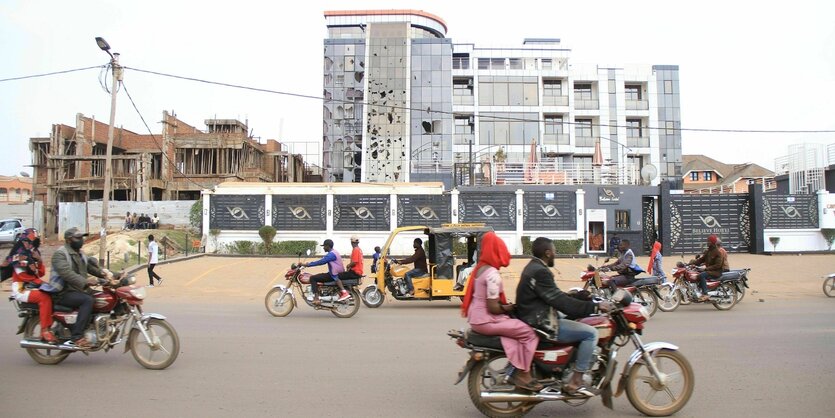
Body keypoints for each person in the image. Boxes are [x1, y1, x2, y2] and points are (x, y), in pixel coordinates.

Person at [515, 237, 614, 396]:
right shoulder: (541, 271)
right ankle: (577, 379)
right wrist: (594, 306)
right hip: (541, 321)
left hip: (535, 314)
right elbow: (560, 302)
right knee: (591, 333)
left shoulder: (533, 266)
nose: (555, 254)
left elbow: (553, 295)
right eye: (554, 251)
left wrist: (578, 296)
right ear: (548, 253)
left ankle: (569, 364)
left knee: (574, 318)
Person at [461, 232, 542, 392]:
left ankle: (516, 365)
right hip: (486, 319)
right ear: (496, 251)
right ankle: (523, 374)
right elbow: (493, 307)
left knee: (515, 329)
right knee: (529, 333)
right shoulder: (492, 274)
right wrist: (509, 307)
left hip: (477, 317)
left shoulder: (481, 268)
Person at [50, 227, 111, 348]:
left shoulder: (80, 254)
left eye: (82, 237)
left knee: (104, 298)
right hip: (63, 292)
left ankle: (99, 328)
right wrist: (86, 281)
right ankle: (76, 336)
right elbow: (68, 274)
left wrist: (109, 274)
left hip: (79, 289)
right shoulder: (60, 254)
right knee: (87, 300)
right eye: (77, 238)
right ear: (68, 240)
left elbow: (91, 268)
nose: (81, 240)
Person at [7, 228, 57, 343]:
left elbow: (40, 273)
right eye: (30, 240)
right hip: (22, 288)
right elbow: (25, 277)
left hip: (31, 286)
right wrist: (43, 284)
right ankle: (44, 331)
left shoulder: (32, 254)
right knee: (44, 297)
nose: (32, 243)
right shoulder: (19, 256)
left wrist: (39, 260)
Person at [301, 239, 350, 304]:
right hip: (335, 273)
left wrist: (307, 264)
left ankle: (316, 298)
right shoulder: (334, 252)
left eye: (324, 246)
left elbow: (321, 262)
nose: (323, 248)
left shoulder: (331, 254)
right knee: (319, 276)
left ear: (327, 246)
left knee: (313, 278)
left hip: (334, 275)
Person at [691, 234, 725, 302]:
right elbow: (700, 260)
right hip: (710, 270)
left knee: (702, 275)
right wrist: (691, 263)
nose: (707, 243)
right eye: (707, 241)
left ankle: (705, 293)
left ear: (712, 243)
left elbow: (718, 265)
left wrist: (706, 268)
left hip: (716, 272)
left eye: (708, 241)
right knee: (696, 273)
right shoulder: (708, 251)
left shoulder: (718, 253)